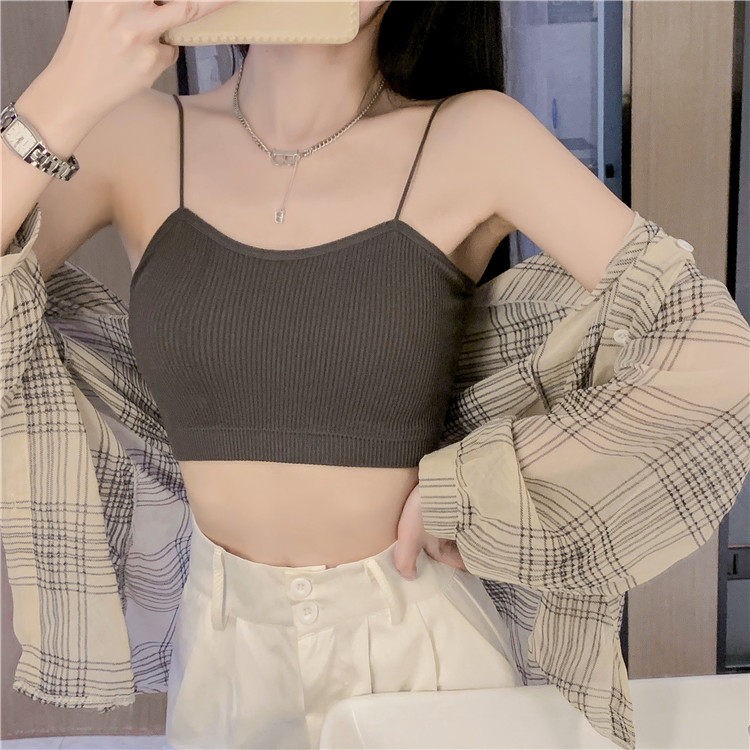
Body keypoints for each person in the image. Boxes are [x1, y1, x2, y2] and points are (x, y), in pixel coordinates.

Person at [3, 2, 749, 750]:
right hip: (223, 660)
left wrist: (488, 482)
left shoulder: (474, 137)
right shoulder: (132, 136)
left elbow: (713, 349)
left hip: (422, 650)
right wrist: (64, 92)